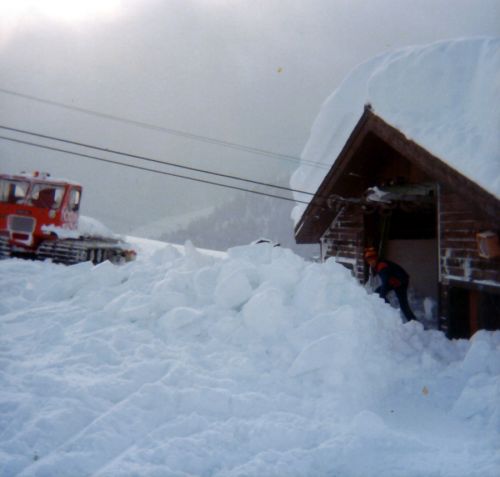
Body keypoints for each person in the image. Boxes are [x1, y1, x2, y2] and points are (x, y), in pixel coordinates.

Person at [364, 246, 417, 322]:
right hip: (392, 280)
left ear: (376, 258)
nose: (370, 262)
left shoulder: (381, 265)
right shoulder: (378, 264)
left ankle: (413, 323)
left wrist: (382, 297)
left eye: (372, 260)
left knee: (403, 304)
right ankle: (388, 311)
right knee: (377, 293)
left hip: (400, 281)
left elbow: (385, 282)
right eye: (368, 260)